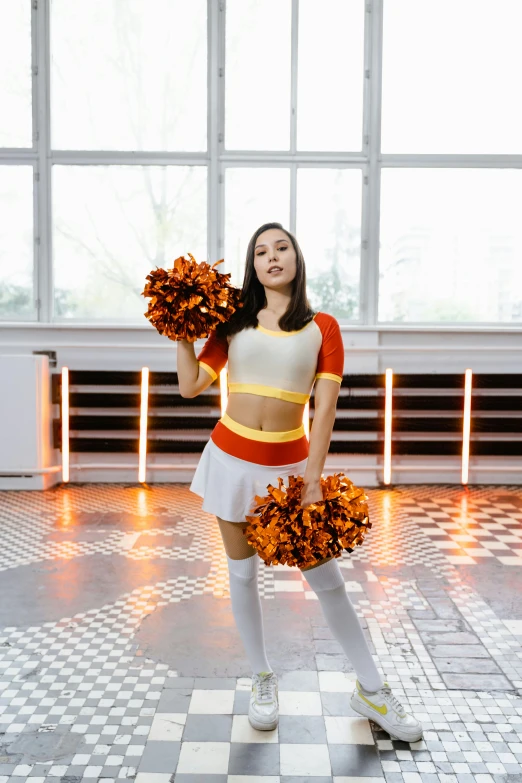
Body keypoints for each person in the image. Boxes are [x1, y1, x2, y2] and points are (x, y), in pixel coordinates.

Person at [177, 221, 423, 743]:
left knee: (328, 583)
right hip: (229, 460)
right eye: (261, 251)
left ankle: (373, 690)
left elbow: (326, 409)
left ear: (296, 257)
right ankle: (262, 677)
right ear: (253, 265)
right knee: (242, 576)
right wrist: (182, 331)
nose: (272, 257)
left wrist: (312, 479)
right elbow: (190, 386)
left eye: (281, 248)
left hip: (290, 473)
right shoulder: (232, 322)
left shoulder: (323, 328)